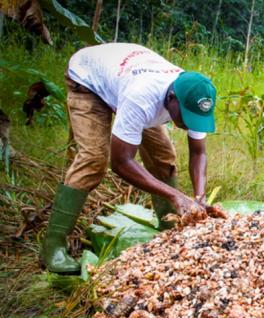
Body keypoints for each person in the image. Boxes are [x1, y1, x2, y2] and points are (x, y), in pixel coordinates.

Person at [41, 43, 217, 274]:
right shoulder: (142, 98)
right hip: (89, 80)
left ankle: (169, 225)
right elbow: (121, 162)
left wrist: (199, 196)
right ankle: (53, 247)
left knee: (163, 159)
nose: (189, 125)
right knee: (93, 160)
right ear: (172, 99)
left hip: (122, 81)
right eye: (186, 118)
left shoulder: (195, 95)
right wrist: (176, 195)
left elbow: (198, 152)